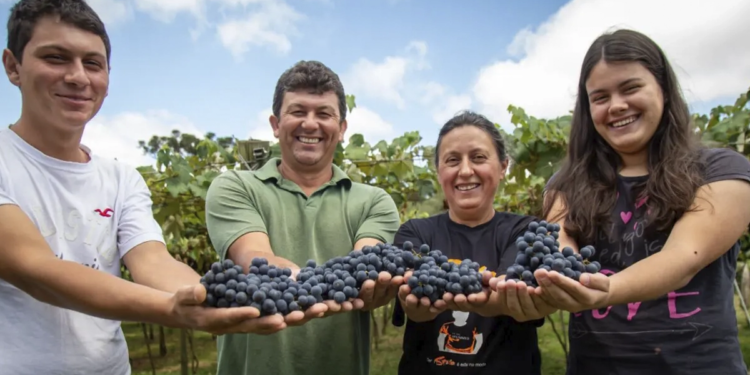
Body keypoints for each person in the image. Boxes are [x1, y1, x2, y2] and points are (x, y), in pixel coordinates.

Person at [0, 1, 275, 374]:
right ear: (13, 66)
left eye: (92, 63)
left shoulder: (121, 179)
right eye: (56, 58)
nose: (78, 76)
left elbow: (152, 261)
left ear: (108, 78)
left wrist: (211, 298)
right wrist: (172, 311)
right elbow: (35, 269)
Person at [531, 29, 750, 375]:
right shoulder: (566, 183)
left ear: (663, 88)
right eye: (600, 97)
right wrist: (553, 277)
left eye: (631, 88)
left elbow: (683, 258)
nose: (616, 105)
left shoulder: (723, 171)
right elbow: (557, 243)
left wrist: (605, 290)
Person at [204, 59, 404, 375]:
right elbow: (254, 256)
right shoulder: (234, 187)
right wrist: (302, 280)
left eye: (324, 114)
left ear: (341, 129)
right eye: (298, 112)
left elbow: (365, 264)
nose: (310, 124)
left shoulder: (374, 201)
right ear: (275, 124)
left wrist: (367, 284)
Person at [391, 111, 554, 374]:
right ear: (439, 171)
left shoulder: (525, 230)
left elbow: (511, 292)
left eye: (478, 157)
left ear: (503, 167)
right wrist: (418, 305)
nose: (465, 171)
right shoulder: (414, 233)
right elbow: (414, 306)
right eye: (452, 160)